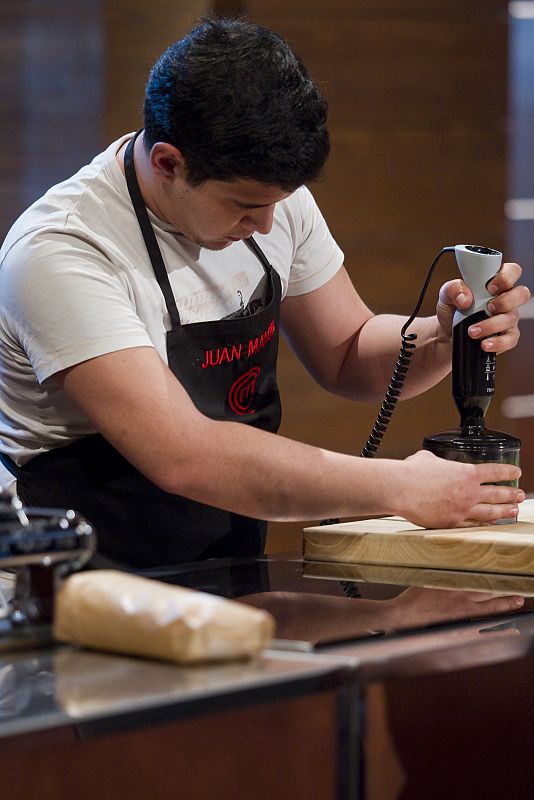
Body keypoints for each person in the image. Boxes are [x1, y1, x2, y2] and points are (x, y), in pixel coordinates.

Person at [0, 17, 529, 570]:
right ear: (167, 163)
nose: (269, 223)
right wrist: (399, 485)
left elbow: (348, 353)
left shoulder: (267, 197)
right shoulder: (62, 251)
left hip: (227, 560)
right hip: (79, 580)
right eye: (245, 206)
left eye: (282, 201)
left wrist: (444, 337)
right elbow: (183, 456)